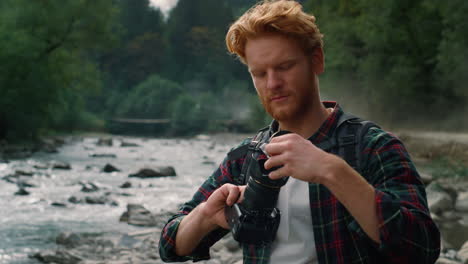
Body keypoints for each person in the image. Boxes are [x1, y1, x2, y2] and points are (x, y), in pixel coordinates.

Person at [159, 0, 441, 263]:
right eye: (259, 73)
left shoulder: (373, 147)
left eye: (284, 67)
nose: (272, 84)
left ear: (316, 60)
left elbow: (422, 248)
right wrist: (206, 216)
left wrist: (332, 171)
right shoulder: (245, 157)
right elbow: (171, 247)